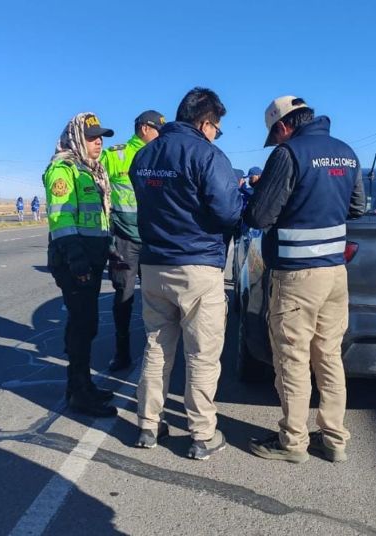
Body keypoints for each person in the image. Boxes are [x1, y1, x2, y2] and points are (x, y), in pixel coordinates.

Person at [244, 95, 365, 464]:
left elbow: (260, 217)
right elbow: (358, 208)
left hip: (297, 277)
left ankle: (293, 442)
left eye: (275, 135)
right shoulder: (346, 153)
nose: (276, 142)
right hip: (334, 274)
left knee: (293, 358)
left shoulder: (288, 154)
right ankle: (334, 438)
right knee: (328, 355)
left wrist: (259, 188)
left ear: (283, 126)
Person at [130, 87, 242, 460]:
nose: (216, 134)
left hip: (154, 264)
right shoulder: (208, 155)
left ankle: (148, 424)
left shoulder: (143, 157)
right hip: (197, 265)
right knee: (202, 353)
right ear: (206, 122)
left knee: (156, 346)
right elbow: (228, 212)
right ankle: (201, 433)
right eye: (217, 128)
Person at [43, 112, 117, 417]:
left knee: (86, 325)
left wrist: (108, 251)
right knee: (81, 324)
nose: (98, 142)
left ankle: (81, 385)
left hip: (91, 257)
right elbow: (61, 219)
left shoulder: (92, 171)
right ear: (76, 137)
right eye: (92, 137)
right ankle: (78, 391)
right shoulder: (63, 169)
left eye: (100, 137)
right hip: (75, 261)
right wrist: (77, 261)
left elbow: (99, 219)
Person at [100, 110, 165, 372]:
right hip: (125, 239)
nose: (161, 135)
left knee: (158, 299)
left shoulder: (162, 156)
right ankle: (122, 351)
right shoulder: (117, 155)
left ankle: (157, 353)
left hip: (153, 238)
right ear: (145, 129)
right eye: (158, 130)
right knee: (124, 297)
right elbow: (97, 187)